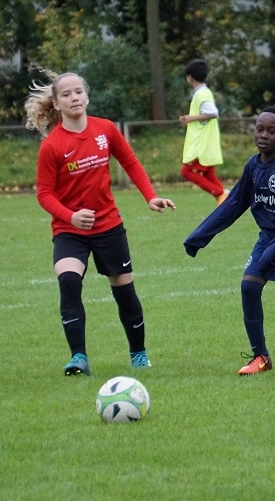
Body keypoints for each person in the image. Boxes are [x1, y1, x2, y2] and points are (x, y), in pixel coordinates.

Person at [25, 69, 176, 377]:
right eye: (66, 94)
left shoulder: (105, 129)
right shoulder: (52, 145)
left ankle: (138, 354)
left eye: (78, 91)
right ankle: (78, 357)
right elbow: (44, 194)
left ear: (87, 96)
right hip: (69, 230)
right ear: (56, 103)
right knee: (69, 282)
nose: (74, 97)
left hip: (108, 226)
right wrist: (70, 216)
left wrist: (150, 196)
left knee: (124, 290)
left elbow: (130, 162)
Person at [184, 106, 275, 376]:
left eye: (272, 131)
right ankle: (261, 356)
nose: (264, 135)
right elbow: (235, 202)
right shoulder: (253, 165)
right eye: (260, 129)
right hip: (271, 236)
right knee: (249, 286)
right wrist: (200, 235)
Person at [178, 59, 227, 205]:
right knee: (208, 173)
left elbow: (212, 113)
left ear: (190, 77)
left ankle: (219, 193)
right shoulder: (204, 93)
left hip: (201, 143)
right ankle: (226, 200)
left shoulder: (201, 94)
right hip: (205, 142)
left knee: (186, 172)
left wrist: (190, 118)